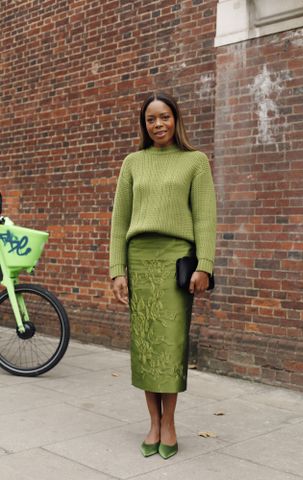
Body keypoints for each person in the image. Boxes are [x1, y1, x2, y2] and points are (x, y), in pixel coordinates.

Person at [109, 92, 216, 459]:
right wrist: (116, 271)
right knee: (145, 346)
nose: (158, 124)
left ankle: (169, 422)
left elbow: (205, 216)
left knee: (170, 345)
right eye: (151, 119)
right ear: (144, 124)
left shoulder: (195, 161)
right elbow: (119, 219)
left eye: (164, 117)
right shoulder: (133, 162)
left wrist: (205, 264)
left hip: (175, 262)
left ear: (176, 119)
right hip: (139, 258)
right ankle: (151, 423)